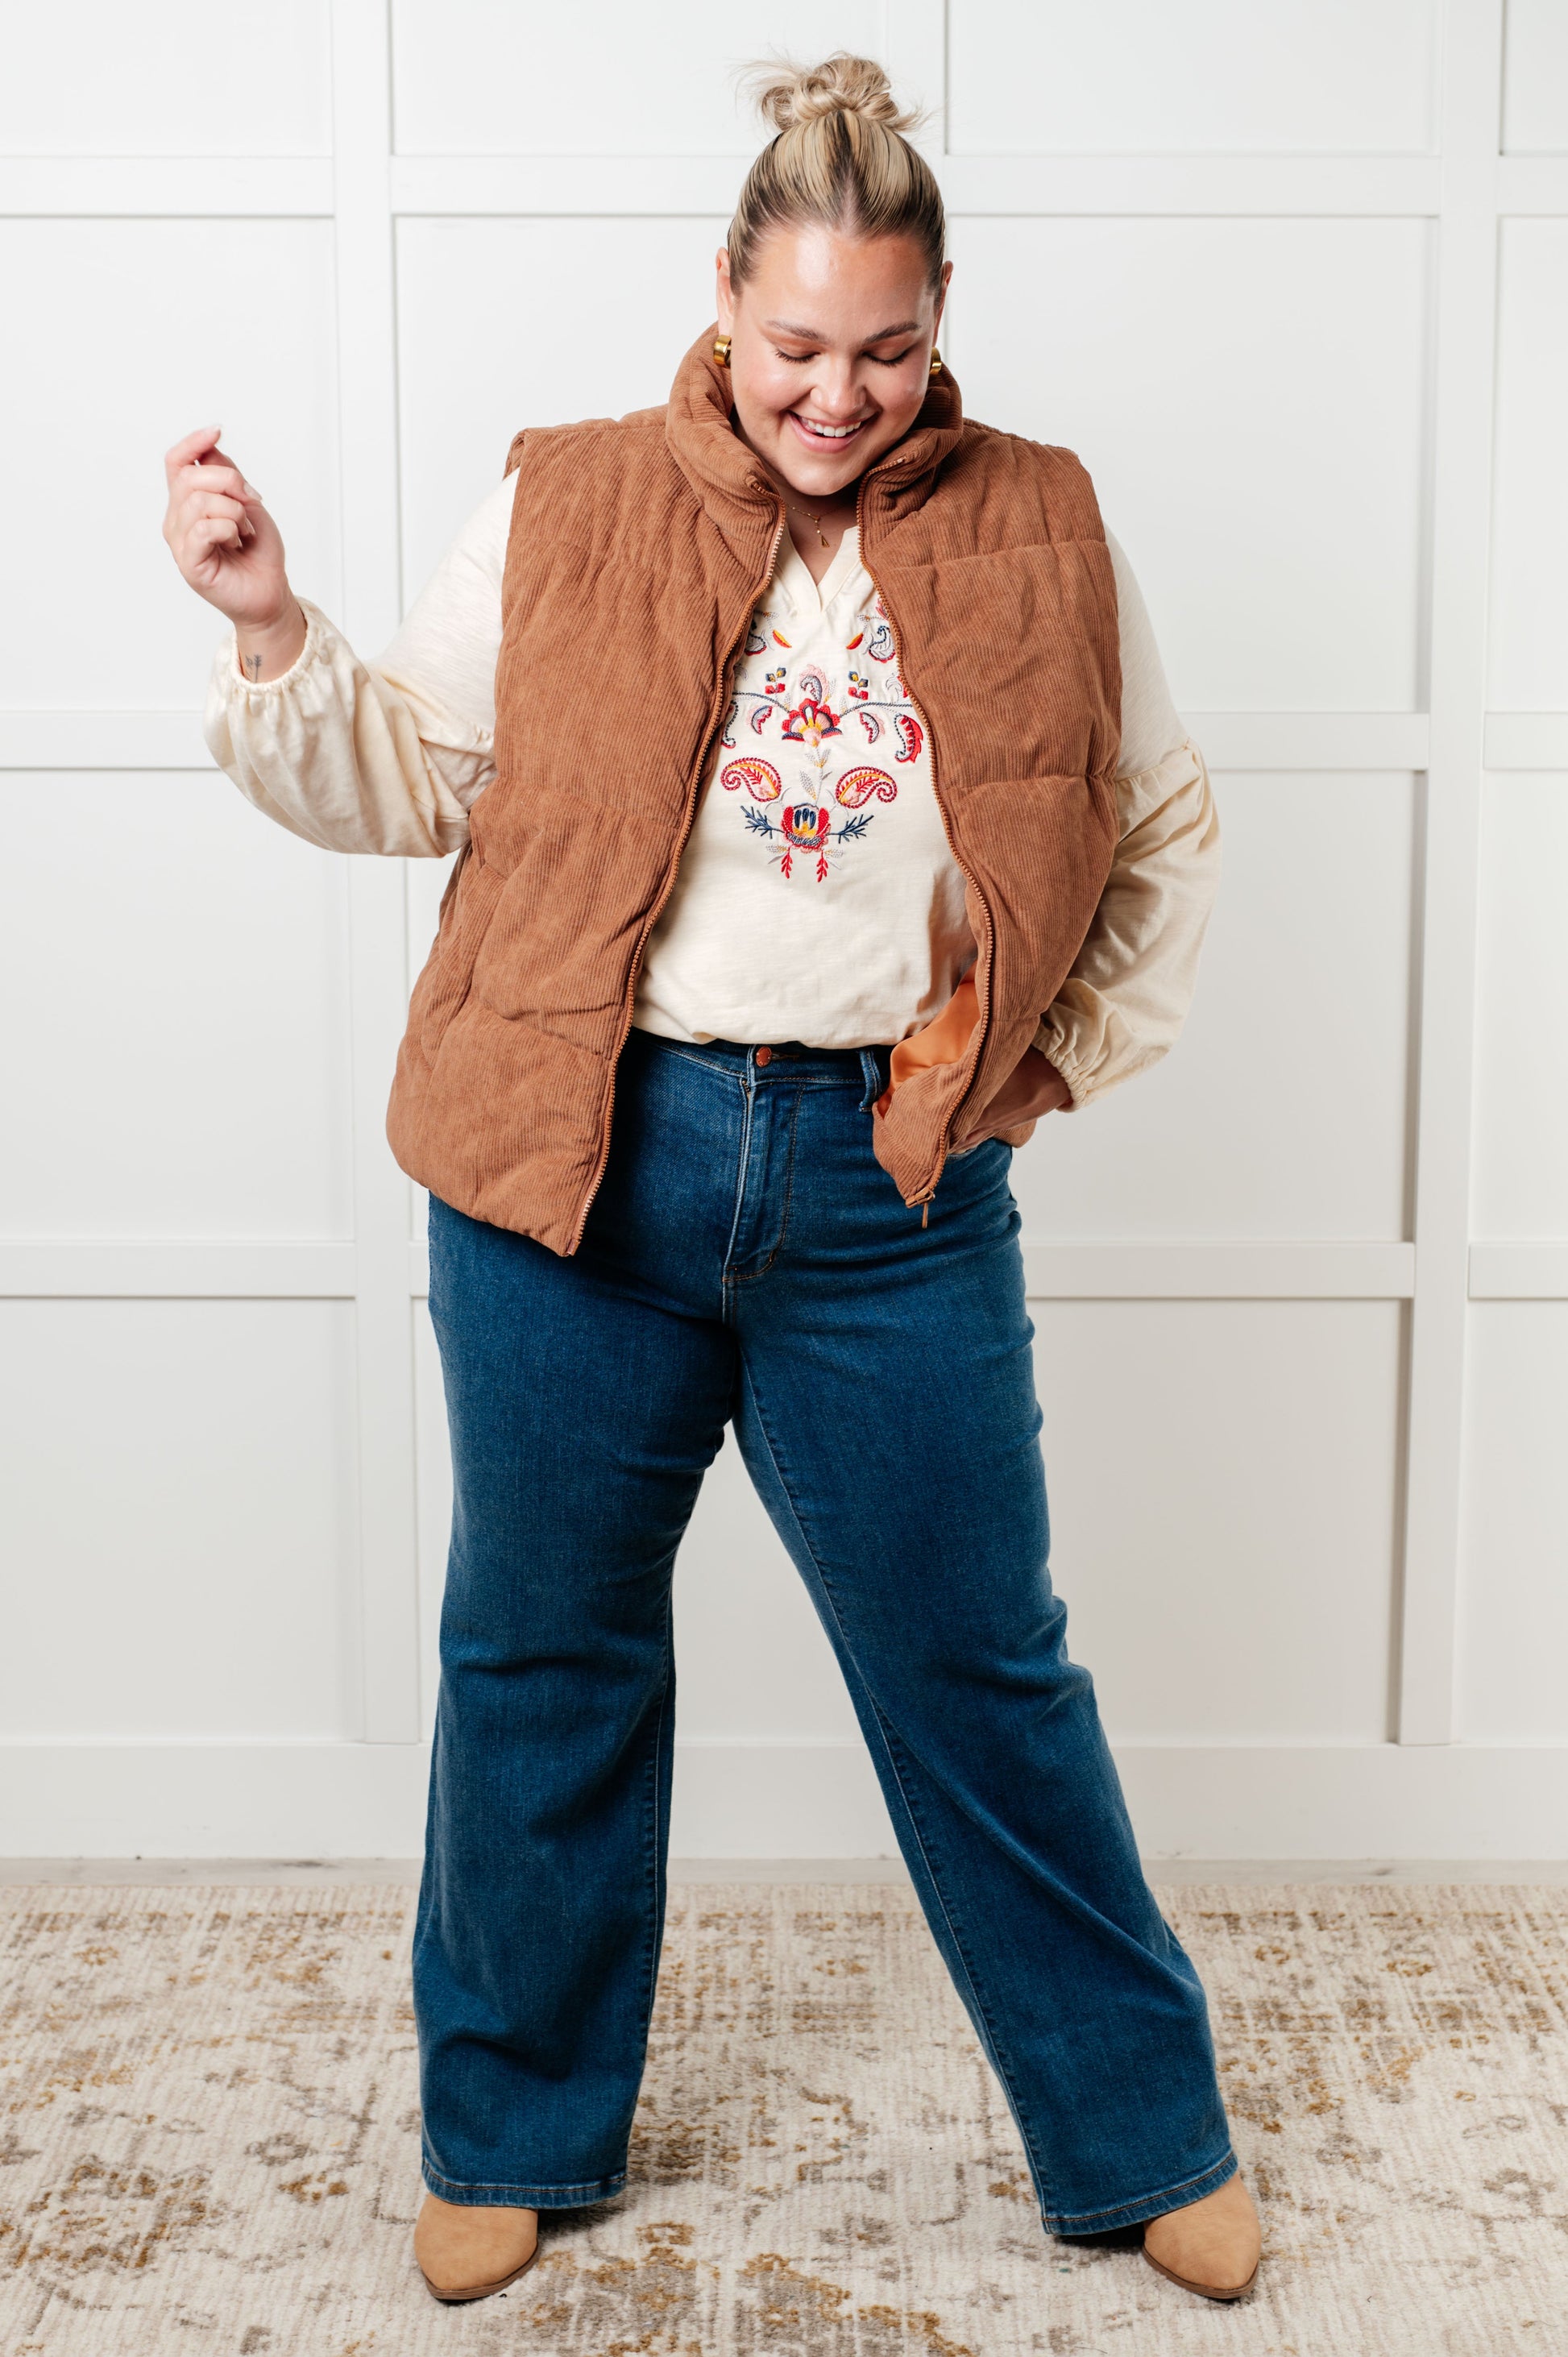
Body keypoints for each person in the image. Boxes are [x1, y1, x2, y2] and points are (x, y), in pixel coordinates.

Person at [163, 53, 1259, 2309]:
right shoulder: (566, 497)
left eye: (885, 350)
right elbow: (408, 777)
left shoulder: (1046, 523)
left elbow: (1155, 824)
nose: (834, 396)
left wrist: (1036, 1067)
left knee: (980, 1664)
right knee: (542, 1650)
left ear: (938, 326)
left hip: (889, 1189)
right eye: (793, 346)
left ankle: (1140, 2134)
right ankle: (507, 2128)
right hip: (580, 1166)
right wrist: (271, 622)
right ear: (724, 304)